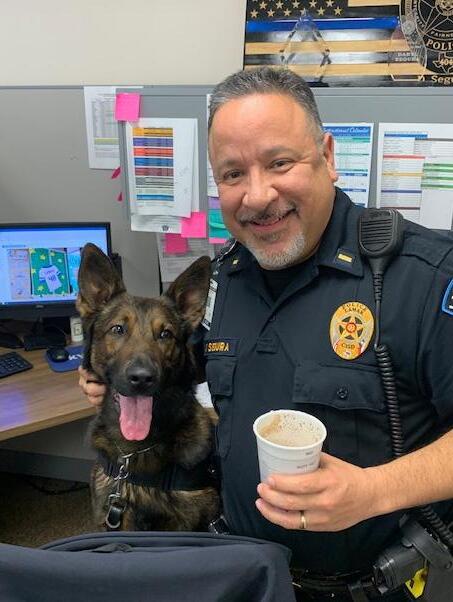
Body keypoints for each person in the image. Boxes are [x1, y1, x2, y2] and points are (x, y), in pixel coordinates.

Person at [79, 67, 453, 601]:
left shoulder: (420, 276)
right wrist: (103, 373)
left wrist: (374, 490)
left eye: (279, 163)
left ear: (327, 156)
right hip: (242, 572)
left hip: (369, 588)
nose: (257, 196)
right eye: (233, 173)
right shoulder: (223, 282)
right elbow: (171, 364)